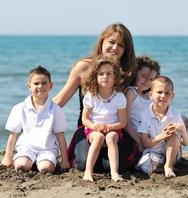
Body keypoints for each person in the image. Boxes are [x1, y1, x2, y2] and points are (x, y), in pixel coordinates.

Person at [53, 22, 136, 172]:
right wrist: (31, 113)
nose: (115, 48)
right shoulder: (84, 67)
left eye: (121, 45)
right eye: (111, 42)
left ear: (126, 49)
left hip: (116, 131)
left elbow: (152, 95)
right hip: (88, 128)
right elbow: (59, 101)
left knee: (118, 166)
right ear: (102, 41)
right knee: (84, 165)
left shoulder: (129, 71)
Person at [1, 66, 70, 173]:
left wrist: (65, 160)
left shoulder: (56, 110)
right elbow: (13, 135)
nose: (40, 86)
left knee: (45, 169)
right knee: (21, 166)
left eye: (44, 83)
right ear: (29, 86)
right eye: (36, 83)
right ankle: (26, 161)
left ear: (51, 85)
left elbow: (60, 137)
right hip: (26, 148)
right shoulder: (19, 108)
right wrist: (7, 157)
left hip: (47, 150)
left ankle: (41, 163)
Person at [81, 55, 126, 182]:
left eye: (109, 73)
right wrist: (95, 126)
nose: (105, 77)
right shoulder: (91, 95)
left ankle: (114, 172)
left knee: (111, 137)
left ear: (115, 77)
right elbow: (85, 119)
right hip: (94, 129)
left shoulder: (119, 97)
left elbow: (123, 122)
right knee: (99, 137)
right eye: (101, 74)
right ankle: (88, 172)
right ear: (95, 76)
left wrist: (109, 127)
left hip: (113, 129)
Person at [136, 76, 188, 177]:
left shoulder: (175, 114)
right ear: (150, 94)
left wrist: (181, 127)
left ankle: (168, 165)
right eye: (159, 92)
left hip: (173, 153)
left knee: (174, 134)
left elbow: (186, 142)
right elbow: (146, 143)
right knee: (146, 167)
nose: (163, 96)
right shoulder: (144, 114)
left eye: (167, 93)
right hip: (153, 152)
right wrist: (163, 135)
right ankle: (161, 167)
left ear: (172, 96)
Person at [125, 55, 161, 152]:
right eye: (143, 76)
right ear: (135, 73)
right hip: (138, 137)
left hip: (152, 136)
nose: (146, 81)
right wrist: (139, 142)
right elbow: (126, 122)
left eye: (151, 79)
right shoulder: (131, 93)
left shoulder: (150, 97)